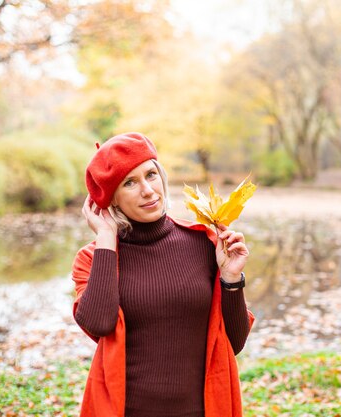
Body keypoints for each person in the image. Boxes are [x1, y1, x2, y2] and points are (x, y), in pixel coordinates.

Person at [71, 132, 255, 417]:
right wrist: (107, 237)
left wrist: (231, 278)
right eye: (129, 182)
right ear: (111, 199)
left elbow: (234, 342)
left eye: (151, 175)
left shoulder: (203, 243)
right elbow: (99, 323)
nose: (148, 190)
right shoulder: (93, 259)